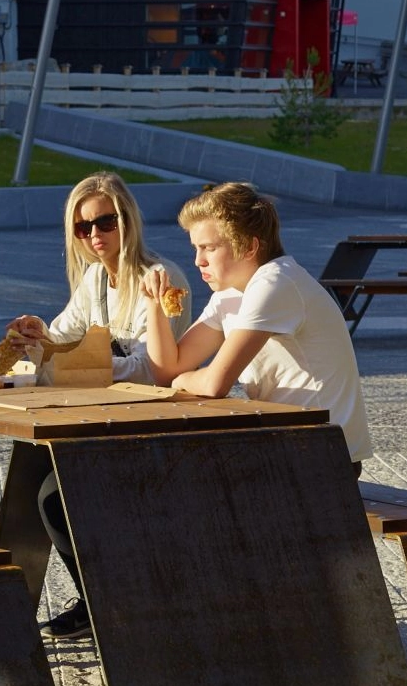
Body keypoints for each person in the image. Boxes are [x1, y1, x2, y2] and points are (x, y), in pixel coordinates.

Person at [6, 171, 191, 638]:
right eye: (82, 227)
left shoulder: (161, 279)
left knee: (55, 493)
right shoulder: (93, 279)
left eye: (104, 223)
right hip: (102, 423)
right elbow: (63, 338)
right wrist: (36, 337)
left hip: (151, 426)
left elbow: (154, 369)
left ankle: (110, 601)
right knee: (45, 491)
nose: (94, 236)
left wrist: (82, 365)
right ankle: (99, 601)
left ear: (126, 220)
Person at [141, 181, 373, 470]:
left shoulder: (276, 282)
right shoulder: (228, 294)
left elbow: (214, 384)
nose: (198, 260)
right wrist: (154, 304)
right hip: (290, 444)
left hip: (325, 454)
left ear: (249, 246)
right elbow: (166, 370)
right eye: (196, 248)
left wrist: (182, 380)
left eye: (209, 248)